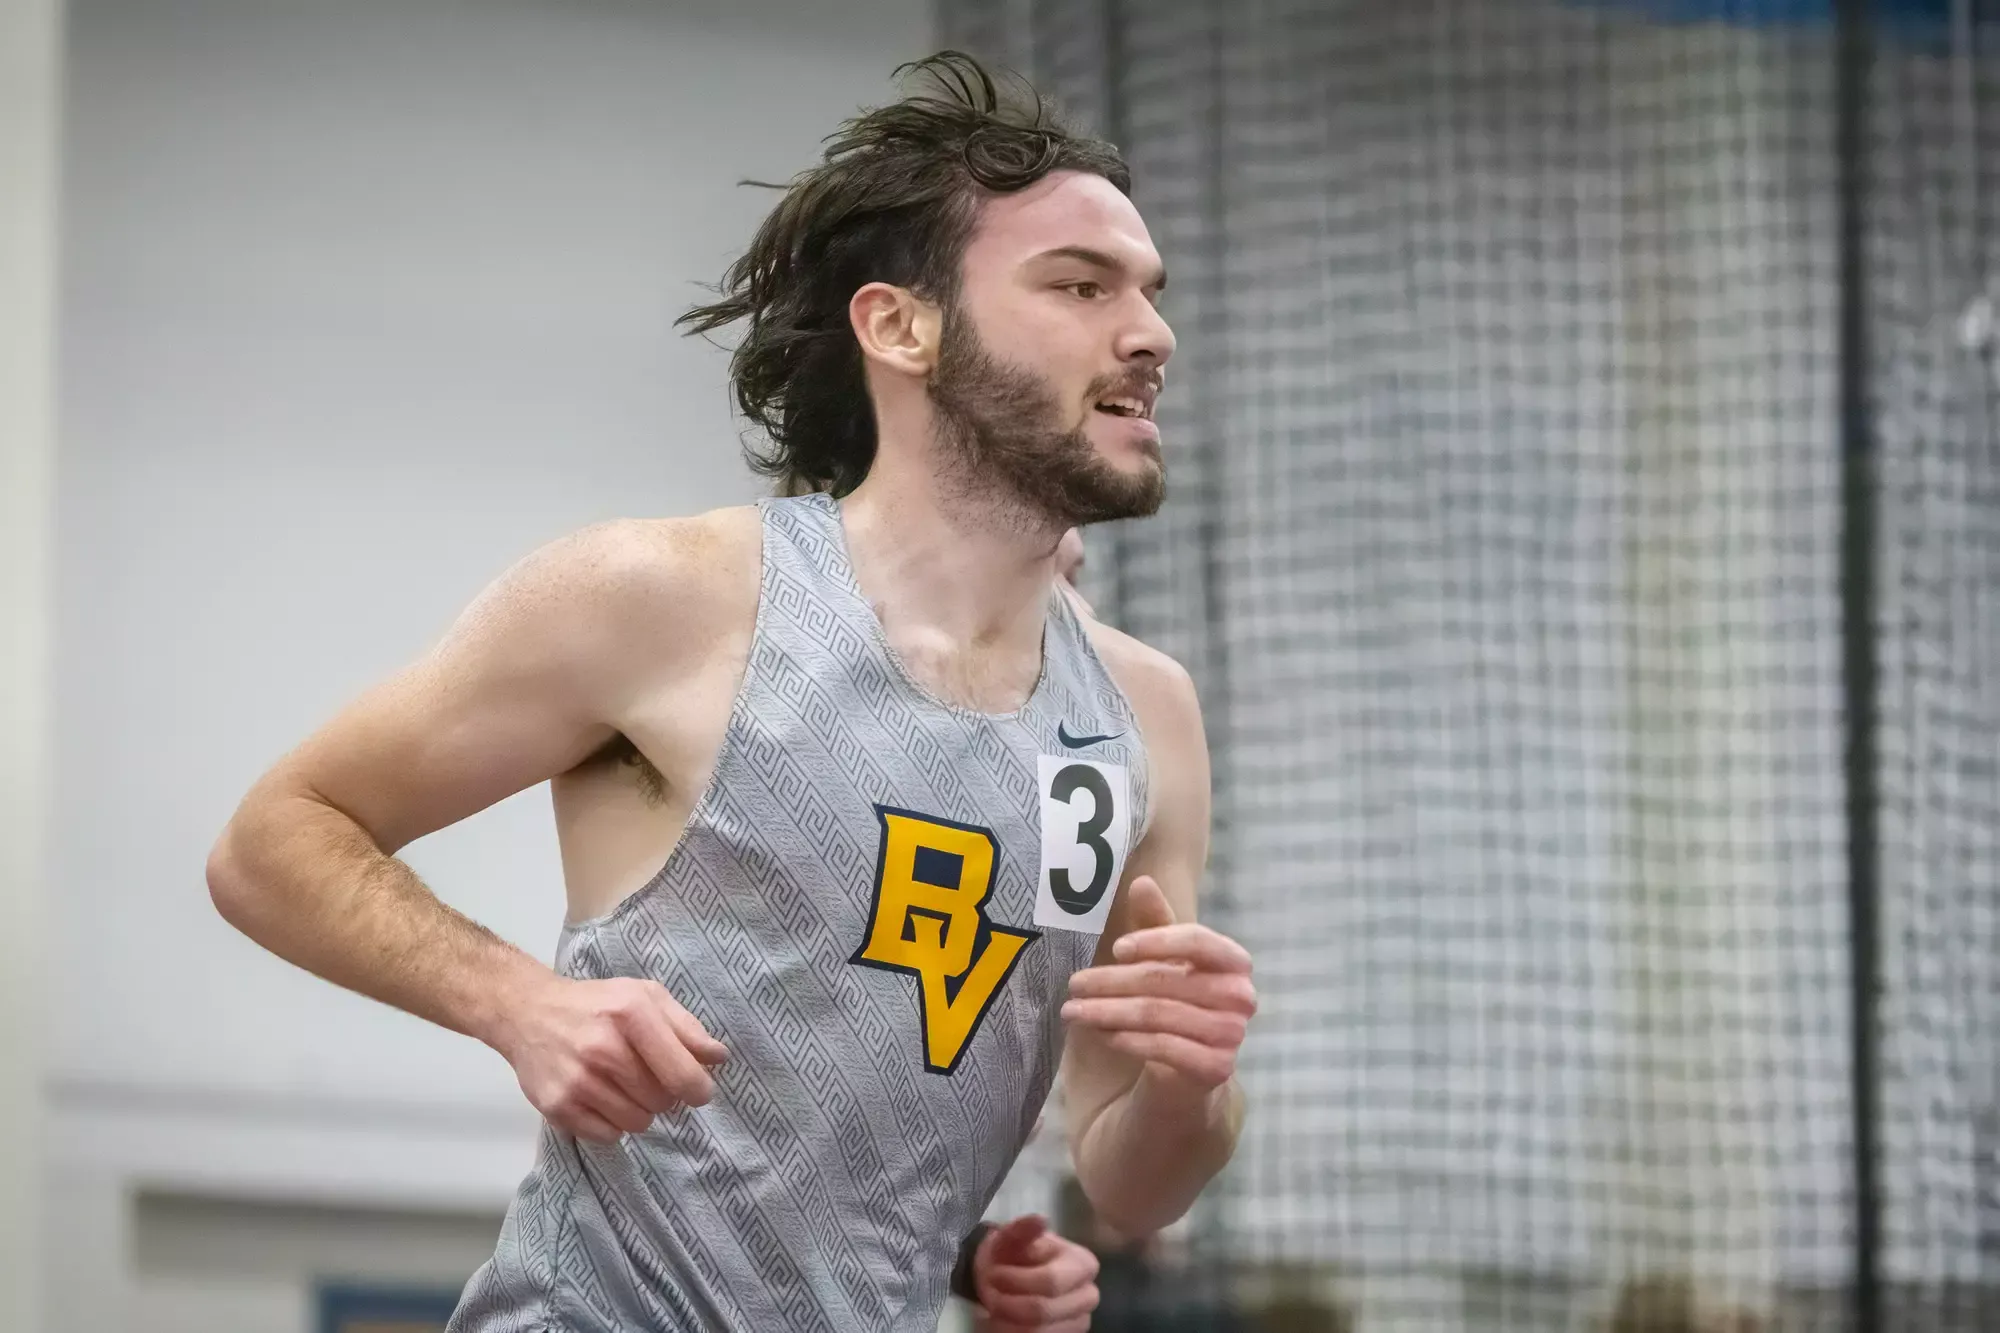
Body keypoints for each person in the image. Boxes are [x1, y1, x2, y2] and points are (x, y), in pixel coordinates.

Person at [206, 50, 1255, 1333]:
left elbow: (1130, 1175)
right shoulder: (665, 596)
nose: (1149, 333)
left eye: (1149, 292)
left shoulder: (1143, 715)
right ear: (899, 326)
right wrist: (516, 1003)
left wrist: (1190, 1085)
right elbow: (272, 838)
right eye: (1081, 285)